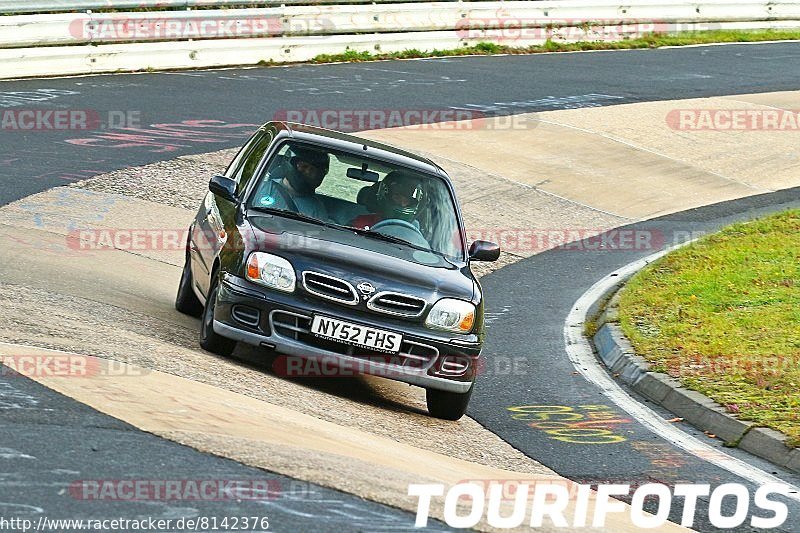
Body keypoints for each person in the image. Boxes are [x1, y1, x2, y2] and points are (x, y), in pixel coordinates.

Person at [254, 147, 330, 221]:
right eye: (303, 166)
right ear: (290, 165)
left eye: (313, 170)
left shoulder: (316, 209)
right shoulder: (260, 189)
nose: (308, 172)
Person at [351, 171, 423, 229]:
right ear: (384, 195)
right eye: (397, 197)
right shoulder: (360, 223)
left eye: (406, 200)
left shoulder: (414, 234)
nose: (402, 204)